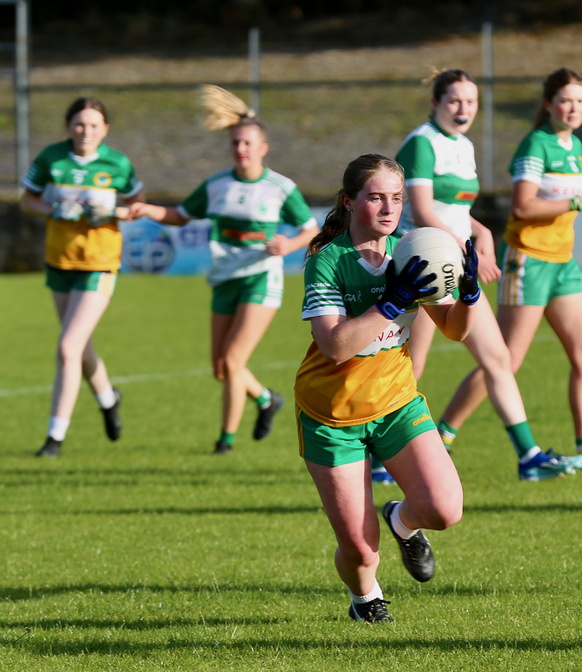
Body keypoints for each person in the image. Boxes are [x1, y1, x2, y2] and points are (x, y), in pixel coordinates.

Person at [294, 153, 479, 623]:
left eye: (396, 198)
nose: (388, 207)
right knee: (359, 549)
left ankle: (403, 519)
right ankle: (365, 599)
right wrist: (391, 303)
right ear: (349, 201)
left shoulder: (413, 251)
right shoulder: (327, 262)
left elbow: (455, 329)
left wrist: (470, 295)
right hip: (332, 416)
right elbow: (335, 346)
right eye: (375, 196)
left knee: (443, 509)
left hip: (396, 402)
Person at [391, 67, 581, 483]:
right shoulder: (422, 144)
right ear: (435, 103)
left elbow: (457, 212)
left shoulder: (463, 145)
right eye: (455, 101)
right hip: (422, 270)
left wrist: (483, 235)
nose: (464, 109)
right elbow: (422, 212)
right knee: (413, 366)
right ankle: (382, 458)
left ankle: (528, 456)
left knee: (498, 359)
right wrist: (464, 252)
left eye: (471, 102)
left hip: (455, 265)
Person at [443, 67, 582, 471]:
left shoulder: (573, 144)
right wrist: (579, 203)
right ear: (549, 104)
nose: (574, 108)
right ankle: (443, 436)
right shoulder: (535, 145)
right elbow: (523, 207)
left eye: (581, 101)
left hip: (564, 264)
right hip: (528, 259)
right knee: (504, 360)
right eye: (566, 100)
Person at [128, 86, 318, 454]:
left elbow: (310, 229)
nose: (241, 149)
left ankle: (225, 442)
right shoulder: (217, 185)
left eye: (248, 143)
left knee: (233, 360)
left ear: (263, 148)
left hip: (261, 276)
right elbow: (181, 216)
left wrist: (289, 245)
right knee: (221, 368)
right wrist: (149, 210)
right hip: (224, 278)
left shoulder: (280, 188)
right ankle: (265, 399)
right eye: (235, 143)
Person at [20, 97, 145, 457]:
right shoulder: (51, 159)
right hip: (59, 262)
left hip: (100, 263)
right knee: (79, 347)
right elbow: (27, 199)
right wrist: (54, 209)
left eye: (93, 125)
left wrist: (112, 210)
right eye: (79, 124)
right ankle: (108, 398)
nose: (86, 131)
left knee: (67, 347)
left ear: (104, 129)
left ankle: (54, 438)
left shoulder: (117, 163)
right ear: (68, 126)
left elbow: (137, 206)